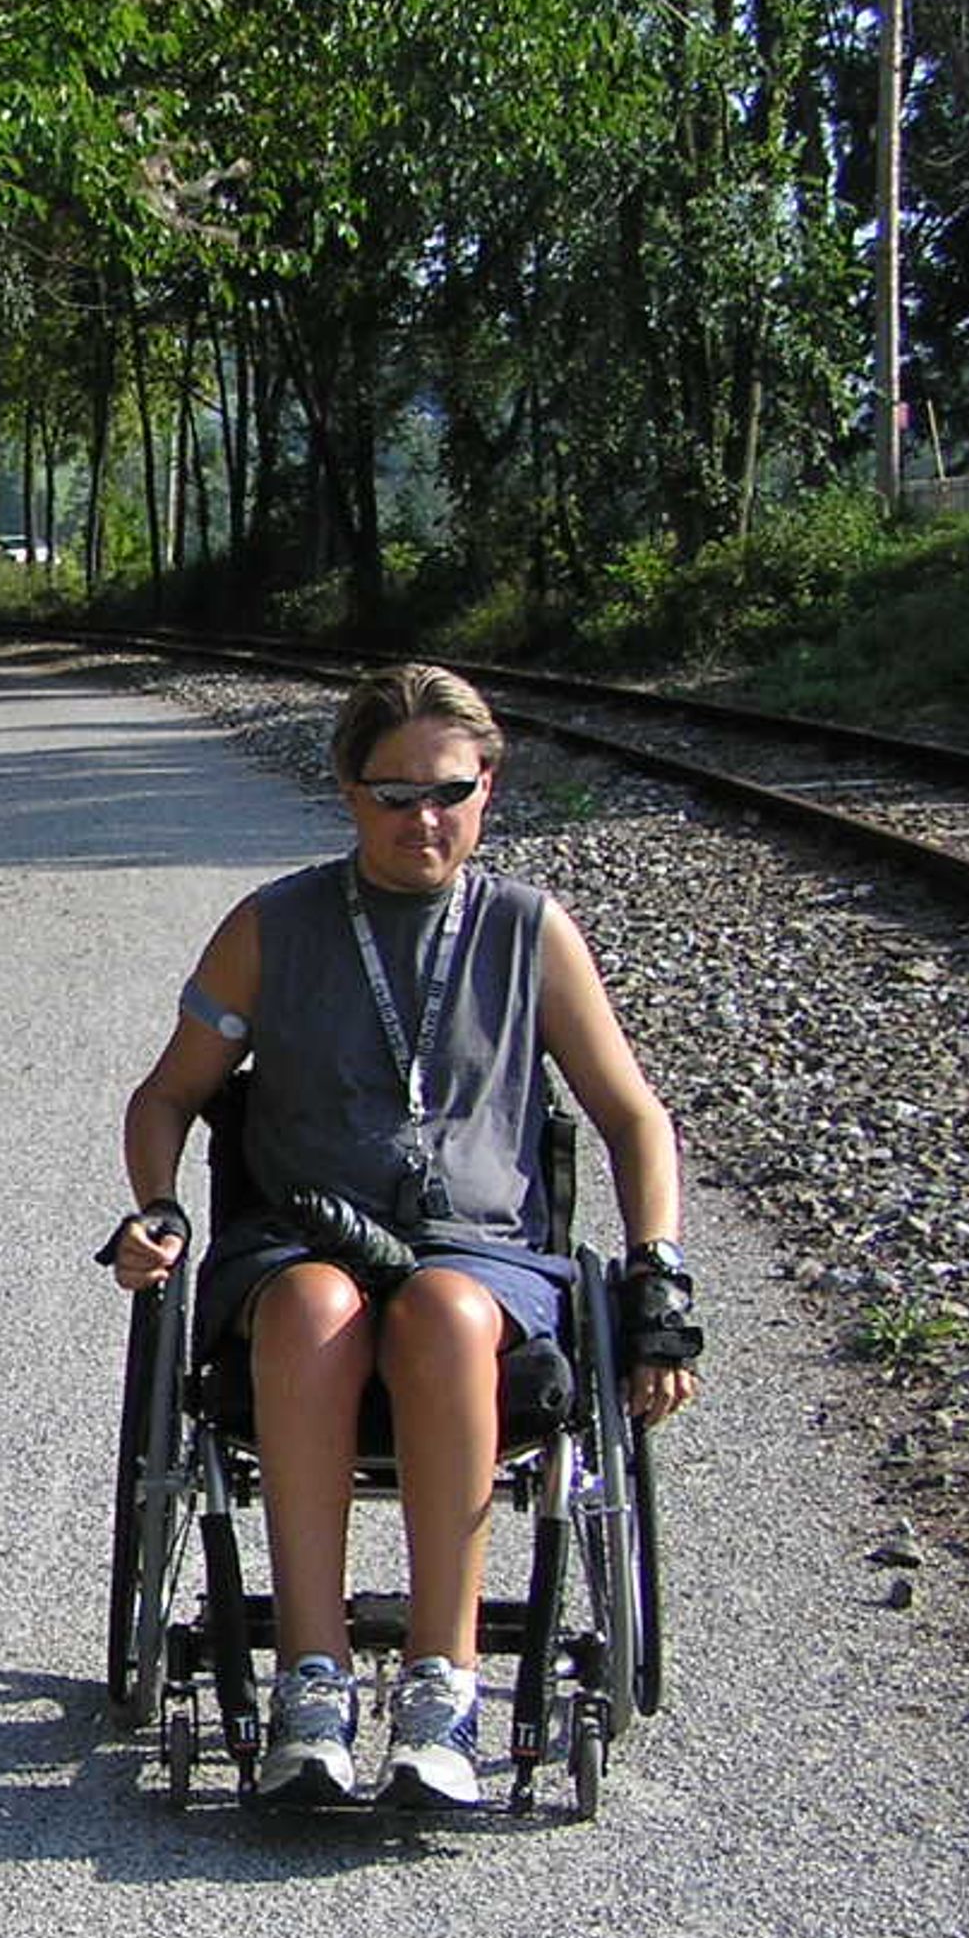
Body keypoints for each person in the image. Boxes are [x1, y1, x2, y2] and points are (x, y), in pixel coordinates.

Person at [107, 662, 702, 1809]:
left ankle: (443, 1687)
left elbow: (633, 1117)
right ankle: (312, 1687)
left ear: (489, 786)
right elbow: (165, 1097)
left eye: (449, 791)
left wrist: (656, 1275)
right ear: (345, 790)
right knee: (318, 1304)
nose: (422, 819)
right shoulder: (273, 927)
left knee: (443, 1309)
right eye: (393, 794)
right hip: (302, 1242)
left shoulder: (532, 932)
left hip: (481, 1256)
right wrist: (160, 1206)